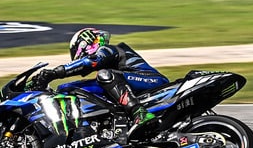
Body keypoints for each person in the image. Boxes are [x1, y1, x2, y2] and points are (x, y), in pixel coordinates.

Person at [33, 27, 169, 139]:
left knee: (104, 75)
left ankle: (140, 113)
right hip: (134, 84)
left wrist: (55, 73)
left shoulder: (110, 49)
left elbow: (91, 62)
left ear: (84, 44)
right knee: (78, 86)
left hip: (152, 80)